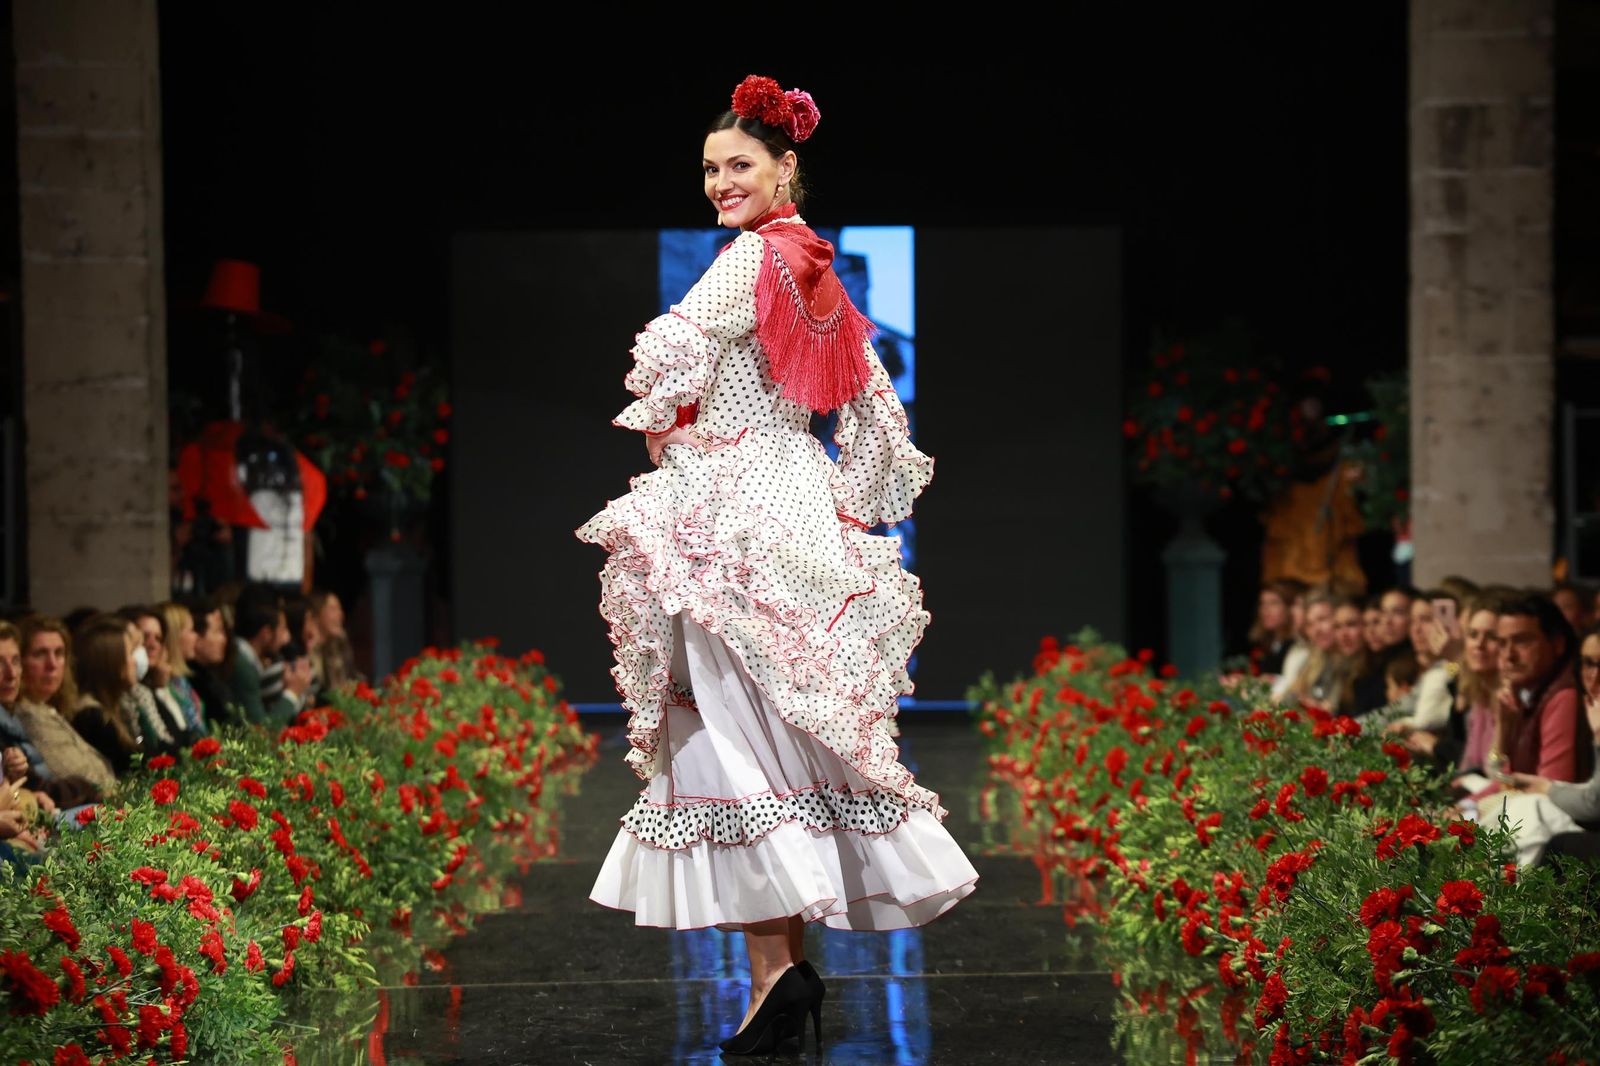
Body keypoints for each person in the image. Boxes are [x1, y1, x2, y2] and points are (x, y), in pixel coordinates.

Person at [574, 75, 979, 1055]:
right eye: (710, 168)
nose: (719, 182)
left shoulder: (749, 259)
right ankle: (776, 983)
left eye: (738, 164)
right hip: (794, 498)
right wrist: (853, 497)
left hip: (735, 513)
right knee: (777, 733)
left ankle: (774, 977)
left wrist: (664, 420)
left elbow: (669, 350)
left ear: (784, 167)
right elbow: (876, 401)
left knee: (730, 736)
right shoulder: (812, 266)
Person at [1510, 623, 1600, 864]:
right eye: (1589, 664)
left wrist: (1547, 788)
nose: (1595, 675)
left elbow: (1595, 803)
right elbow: (1501, 770)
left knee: (1559, 843)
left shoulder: (1565, 697)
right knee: (1526, 808)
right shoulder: (1588, 705)